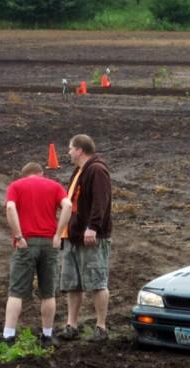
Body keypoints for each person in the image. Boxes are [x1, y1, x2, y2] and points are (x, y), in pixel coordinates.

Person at [3, 162, 72, 346]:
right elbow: (68, 205)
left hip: (26, 243)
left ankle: (9, 336)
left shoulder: (16, 186)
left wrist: (18, 236)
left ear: (24, 175)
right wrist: (58, 234)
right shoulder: (55, 186)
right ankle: (47, 336)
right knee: (48, 293)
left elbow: (10, 208)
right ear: (41, 174)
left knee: (16, 292)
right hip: (49, 243)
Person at [59, 134, 113, 342]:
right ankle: (72, 325)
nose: (69, 152)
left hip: (91, 236)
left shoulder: (97, 170)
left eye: (71, 148)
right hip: (74, 236)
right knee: (73, 283)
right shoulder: (80, 171)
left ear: (80, 150)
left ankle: (101, 327)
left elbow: (101, 200)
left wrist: (93, 227)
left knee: (97, 281)